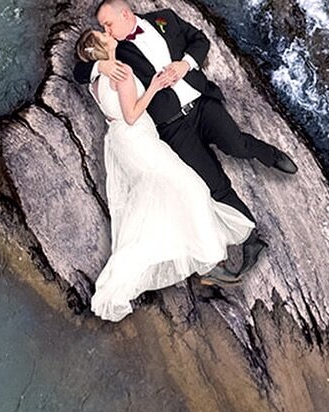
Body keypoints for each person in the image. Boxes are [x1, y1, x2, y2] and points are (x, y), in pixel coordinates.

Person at [73, 0, 297, 278]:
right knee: (214, 184)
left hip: (201, 103)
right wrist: (99, 66)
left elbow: (200, 39)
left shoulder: (163, 18)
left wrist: (186, 64)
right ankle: (251, 238)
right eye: (103, 29)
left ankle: (272, 155)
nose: (106, 31)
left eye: (107, 24)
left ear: (126, 15)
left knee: (236, 145)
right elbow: (80, 69)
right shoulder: (116, 53)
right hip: (172, 128)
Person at [77, 28, 254, 320]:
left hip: (122, 140)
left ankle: (203, 259)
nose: (108, 34)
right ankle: (208, 264)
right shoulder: (119, 71)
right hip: (138, 138)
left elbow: (114, 112)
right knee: (191, 188)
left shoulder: (95, 80)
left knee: (161, 196)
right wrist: (155, 87)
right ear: (100, 47)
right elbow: (132, 114)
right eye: (103, 35)